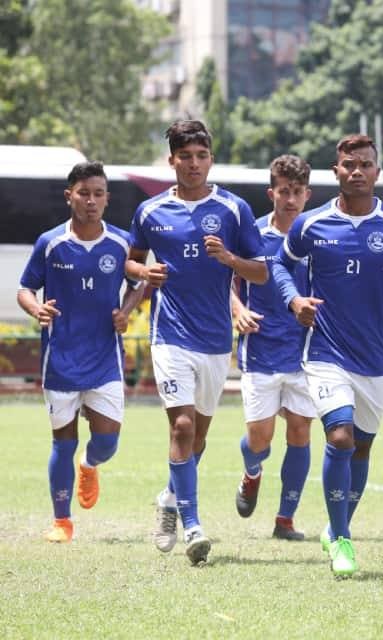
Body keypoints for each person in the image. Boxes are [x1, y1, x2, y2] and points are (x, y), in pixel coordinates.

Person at [271, 134, 383, 578]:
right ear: (335, 171)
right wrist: (293, 301)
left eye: (365, 163)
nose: (356, 170)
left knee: (361, 449)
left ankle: (335, 525)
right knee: (339, 437)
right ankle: (343, 541)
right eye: (348, 164)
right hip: (323, 351)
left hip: (371, 359)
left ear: (376, 172)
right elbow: (279, 265)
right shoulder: (311, 224)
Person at [126, 120, 267, 566]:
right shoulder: (151, 212)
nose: (193, 164)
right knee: (182, 428)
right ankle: (193, 525)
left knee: (198, 438)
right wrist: (144, 275)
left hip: (214, 340)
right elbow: (129, 262)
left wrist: (229, 258)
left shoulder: (233, 209)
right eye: (184, 157)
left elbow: (261, 271)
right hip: (170, 335)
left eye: (201, 156)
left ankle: (169, 498)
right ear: (171, 160)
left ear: (210, 158)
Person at [17, 161, 143, 543]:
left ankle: (89, 466)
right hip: (61, 360)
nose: (91, 201)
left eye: (99, 194)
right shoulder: (50, 242)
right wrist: (35, 308)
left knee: (107, 442)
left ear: (106, 199)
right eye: (84, 193)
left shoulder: (121, 243)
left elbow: (142, 281)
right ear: (69, 195)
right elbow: (25, 288)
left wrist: (127, 310)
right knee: (62, 441)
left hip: (105, 359)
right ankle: (62, 521)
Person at [232, 155, 316, 540]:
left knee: (300, 430)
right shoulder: (252, 235)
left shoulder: (316, 236)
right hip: (261, 348)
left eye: (298, 192)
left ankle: (285, 520)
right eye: (284, 191)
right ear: (272, 193)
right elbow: (227, 278)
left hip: (305, 351)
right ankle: (252, 472)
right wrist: (238, 309)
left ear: (307, 194)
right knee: (259, 439)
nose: (291, 199)